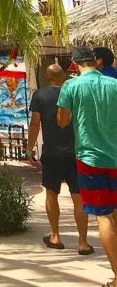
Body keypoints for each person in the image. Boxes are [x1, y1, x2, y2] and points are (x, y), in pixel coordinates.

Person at [58, 47, 117, 287]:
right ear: (95, 61)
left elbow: (62, 121)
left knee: (103, 216)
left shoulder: (71, 87)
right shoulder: (114, 84)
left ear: (74, 63)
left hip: (90, 158)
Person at [28, 64, 93, 254]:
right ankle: (83, 242)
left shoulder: (40, 95)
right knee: (78, 197)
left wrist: (29, 148)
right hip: (76, 150)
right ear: (64, 75)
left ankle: (55, 236)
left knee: (51, 193)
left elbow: (35, 123)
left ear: (47, 77)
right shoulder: (75, 91)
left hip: (52, 151)